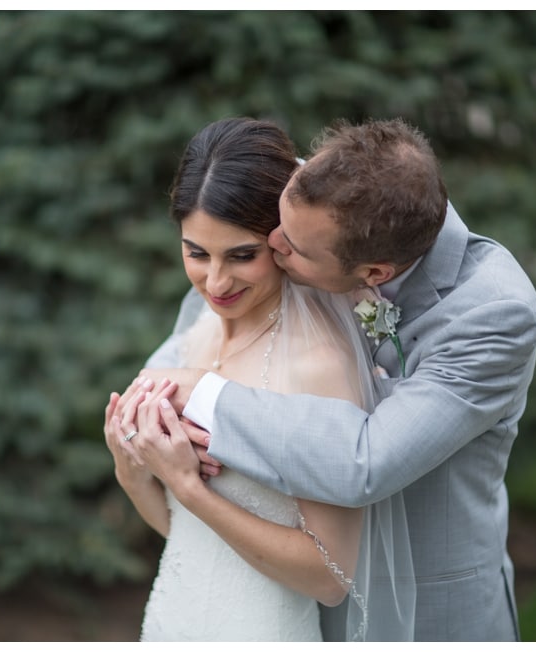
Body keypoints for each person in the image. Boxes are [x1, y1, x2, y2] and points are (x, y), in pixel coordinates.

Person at [138, 118, 536, 641]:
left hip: (423, 615)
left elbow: (366, 462)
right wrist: (151, 403)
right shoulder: (310, 202)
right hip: (275, 604)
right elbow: (213, 311)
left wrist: (204, 394)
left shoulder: (491, 315)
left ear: (375, 273)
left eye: (291, 252)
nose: (275, 245)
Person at [104, 117, 414, 641]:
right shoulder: (198, 332)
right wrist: (131, 469)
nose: (216, 282)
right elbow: (191, 543)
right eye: (196, 253)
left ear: (282, 241)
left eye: (242, 255)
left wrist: (186, 485)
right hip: (170, 622)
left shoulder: (317, 364)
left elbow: (331, 577)